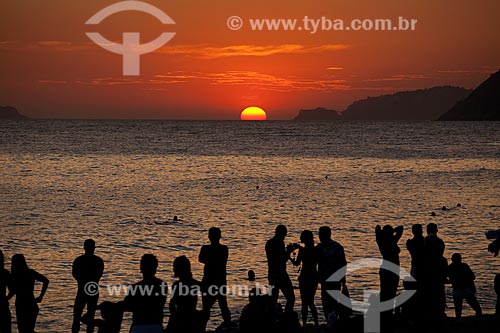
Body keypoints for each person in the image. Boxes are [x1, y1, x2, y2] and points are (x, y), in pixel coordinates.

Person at [198, 227, 231, 331]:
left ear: (209, 237)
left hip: (209, 281)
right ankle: (228, 326)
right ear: (220, 236)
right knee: (222, 305)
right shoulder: (224, 249)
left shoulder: (206, 249)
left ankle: (201, 328)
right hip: (219, 281)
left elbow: (201, 259)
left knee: (208, 308)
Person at [123, 254, 166, 333]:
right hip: (156, 325)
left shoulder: (135, 287)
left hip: (139, 325)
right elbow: (161, 303)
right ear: (155, 268)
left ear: (141, 268)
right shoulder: (162, 285)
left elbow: (126, 306)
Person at [72, 239, 105, 333]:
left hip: (82, 289)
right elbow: (99, 275)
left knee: (77, 316)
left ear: (84, 247)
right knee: (90, 316)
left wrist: (83, 281)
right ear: (94, 248)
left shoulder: (78, 260)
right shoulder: (99, 260)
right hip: (93, 290)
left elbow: (75, 274)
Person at [10, 254, 49, 333]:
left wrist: (6, 298)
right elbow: (46, 281)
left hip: (21, 305)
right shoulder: (30, 273)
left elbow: (12, 292)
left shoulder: (14, 276)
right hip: (31, 304)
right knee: (29, 330)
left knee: (23, 330)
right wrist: (41, 296)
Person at [315, 226, 347, 322]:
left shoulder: (319, 248)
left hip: (325, 279)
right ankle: (334, 321)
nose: (319, 236)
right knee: (333, 301)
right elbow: (343, 263)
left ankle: (330, 321)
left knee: (326, 301)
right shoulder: (337, 247)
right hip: (335, 278)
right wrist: (343, 278)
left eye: (320, 234)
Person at [290, 230, 319, 326]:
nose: (300, 238)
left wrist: (290, 256)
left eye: (301, 237)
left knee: (306, 302)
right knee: (310, 301)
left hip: (305, 277)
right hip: (313, 277)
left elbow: (296, 263)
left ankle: (305, 324)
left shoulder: (304, 250)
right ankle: (316, 323)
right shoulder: (315, 249)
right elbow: (298, 263)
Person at [265, 225, 296, 313]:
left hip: (271, 274)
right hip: (281, 274)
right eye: (284, 234)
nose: (284, 236)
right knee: (291, 298)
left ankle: (269, 319)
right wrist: (289, 251)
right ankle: (287, 318)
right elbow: (282, 260)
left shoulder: (269, 243)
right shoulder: (279, 243)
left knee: (272, 299)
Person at [422, 223, 447, 327]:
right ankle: (439, 313)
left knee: (428, 292)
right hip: (438, 269)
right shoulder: (440, 241)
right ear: (436, 230)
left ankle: (430, 314)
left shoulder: (425, 241)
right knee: (439, 292)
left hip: (428, 269)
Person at [167, 256, 201, 333]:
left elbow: (171, 305)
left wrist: (174, 317)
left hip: (179, 317)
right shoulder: (196, 284)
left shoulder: (176, 285)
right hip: (193, 317)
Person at [447, 253, 482, 318]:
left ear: (452, 259)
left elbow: (472, 277)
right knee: (477, 309)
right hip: (464, 290)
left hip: (462, 290)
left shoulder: (450, 267)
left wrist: (453, 281)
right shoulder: (463, 266)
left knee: (459, 312)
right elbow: (472, 277)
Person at [1, 250, 13, 333]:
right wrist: (6, 299)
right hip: (3, 305)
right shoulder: (5, 273)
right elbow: (12, 291)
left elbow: (12, 291)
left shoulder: (5, 273)